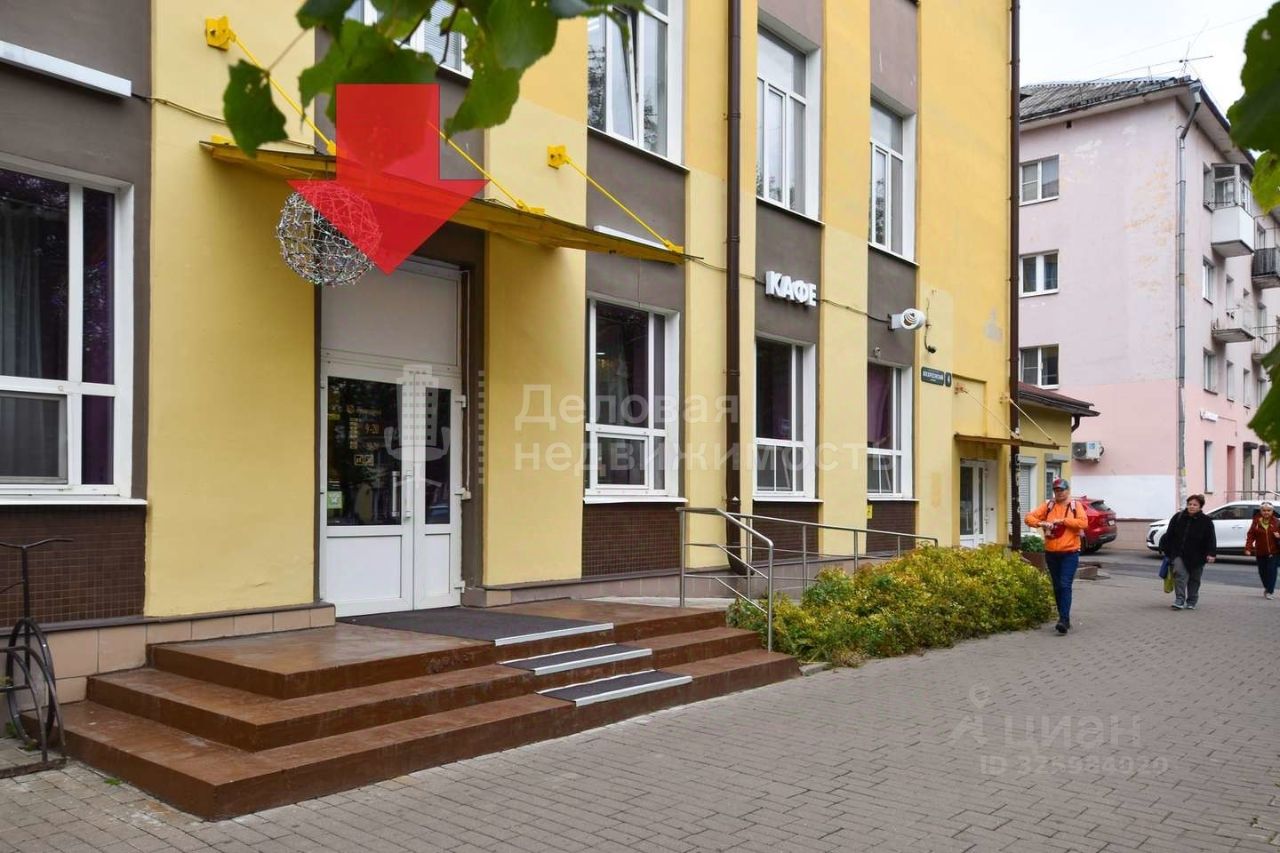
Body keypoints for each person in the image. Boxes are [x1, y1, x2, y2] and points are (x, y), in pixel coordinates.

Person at [1024, 477, 1089, 634]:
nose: (1059, 493)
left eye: (1061, 490)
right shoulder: (1049, 505)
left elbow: (1083, 523)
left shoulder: (1075, 506)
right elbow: (1028, 518)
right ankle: (1063, 617)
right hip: (1052, 553)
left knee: (1065, 584)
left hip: (1070, 553)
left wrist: (1064, 521)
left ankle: (1064, 620)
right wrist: (1041, 523)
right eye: (1056, 490)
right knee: (1057, 586)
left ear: (1068, 490)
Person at [1157, 494, 1217, 610]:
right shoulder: (1178, 517)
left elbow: (1211, 538)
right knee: (1179, 575)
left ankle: (1192, 601)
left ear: (1200, 507)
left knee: (1194, 579)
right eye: (1190, 504)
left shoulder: (1206, 521)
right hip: (1179, 553)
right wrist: (1166, 550)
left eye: (1195, 505)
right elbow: (1169, 534)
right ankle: (1179, 599)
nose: (1192, 506)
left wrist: (1211, 553)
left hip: (1198, 556)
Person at [1243, 501, 1279, 600]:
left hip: (1274, 552)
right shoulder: (1256, 522)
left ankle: (1270, 591)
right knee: (1262, 572)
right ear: (1261, 511)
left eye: (1269, 510)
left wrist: (1278, 536)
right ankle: (1267, 587)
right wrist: (1248, 548)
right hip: (1260, 552)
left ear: (1272, 511)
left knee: (1272, 572)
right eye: (1264, 510)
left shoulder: (1277, 522)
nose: (1266, 512)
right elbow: (1250, 535)